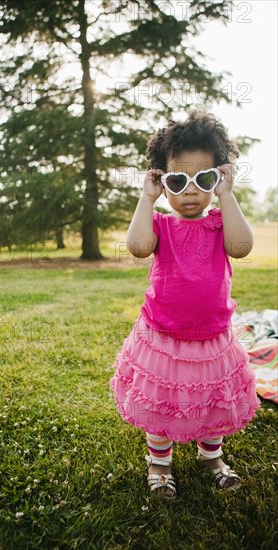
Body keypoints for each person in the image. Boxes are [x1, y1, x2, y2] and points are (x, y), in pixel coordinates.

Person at [109, 110, 261, 500]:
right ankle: (160, 464)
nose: (190, 191)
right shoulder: (160, 226)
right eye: (178, 180)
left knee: (210, 404)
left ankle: (213, 457)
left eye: (204, 179)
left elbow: (242, 247)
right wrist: (147, 197)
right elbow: (138, 247)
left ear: (217, 179)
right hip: (163, 337)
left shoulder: (220, 223)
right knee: (160, 406)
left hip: (212, 338)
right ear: (163, 180)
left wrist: (226, 195)